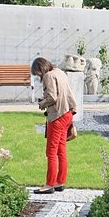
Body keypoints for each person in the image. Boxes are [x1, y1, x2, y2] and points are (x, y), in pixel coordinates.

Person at [31, 57, 77, 194]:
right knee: (61, 150)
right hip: (67, 113)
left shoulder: (48, 76)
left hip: (57, 116)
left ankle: (49, 184)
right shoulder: (60, 72)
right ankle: (60, 182)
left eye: (37, 73)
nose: (39, 76)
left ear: (40, 69)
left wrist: (42, 103)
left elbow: (52, 97)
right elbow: (66, 94)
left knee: (51, 151)